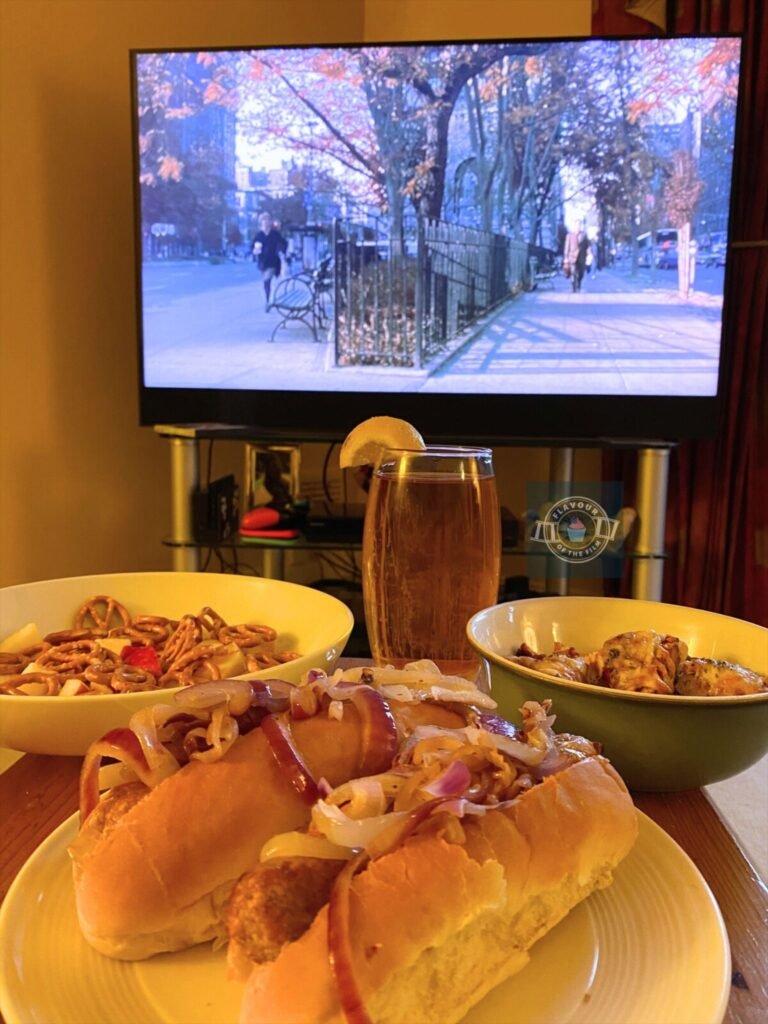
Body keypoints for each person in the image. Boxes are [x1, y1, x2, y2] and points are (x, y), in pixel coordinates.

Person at [251, 213, 287, 309]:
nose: (266, 222)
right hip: (262, 262)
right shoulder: (259, 235)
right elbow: (253, 248)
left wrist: (281, 251)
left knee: (267, 280)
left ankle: (267, 302)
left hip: (273, 262)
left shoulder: (275, 234)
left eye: (268, 219)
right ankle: (269, 299)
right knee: (266, 282)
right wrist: (255, 251)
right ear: (261, 222)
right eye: (264, 220)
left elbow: (284, 243)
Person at [564, 227, 590, 292]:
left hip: (581, 256)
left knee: (581, 273)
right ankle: (573, 286)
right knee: (573, 271)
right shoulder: (570, 235)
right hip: (572, 257)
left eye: (579, 225)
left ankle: (579, 282)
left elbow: (587, 246)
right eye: (576, 225)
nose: (577, 227)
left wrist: (589, 253)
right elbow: (567, 246)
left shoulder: (584, 235)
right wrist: (566, 257)